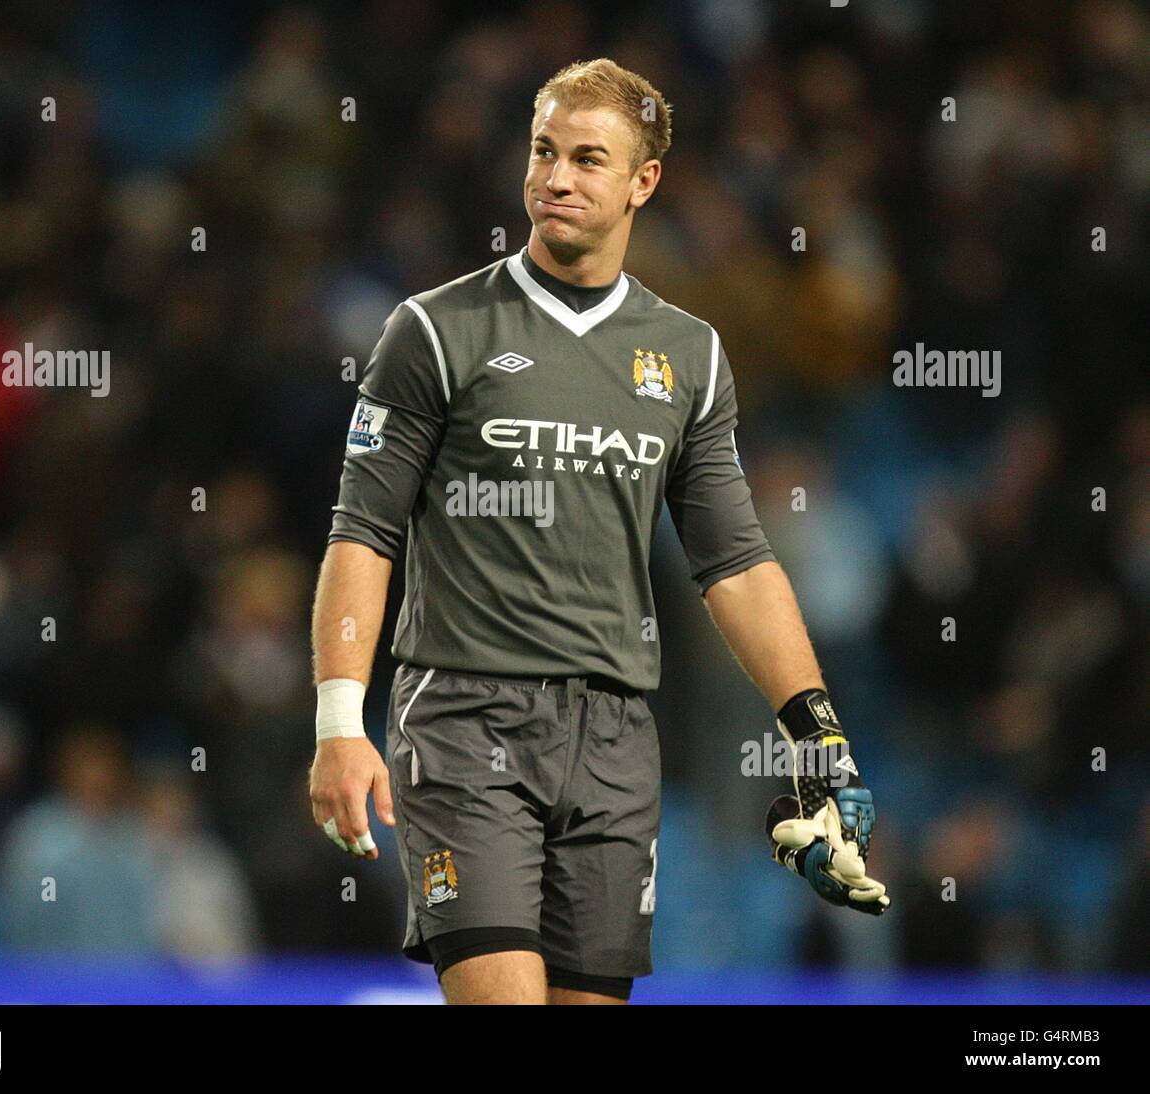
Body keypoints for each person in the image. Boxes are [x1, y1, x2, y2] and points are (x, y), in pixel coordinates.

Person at [309, 58, 888, 1005]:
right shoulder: (432, 331)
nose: (556, 179)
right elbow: (362, 534)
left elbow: (735, 563)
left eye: (587, 158)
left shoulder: (691, 356)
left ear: (642, 183)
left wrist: (816, 738)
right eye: (543, 152)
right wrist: (340, 723)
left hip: (616, 739)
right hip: (464, 724)